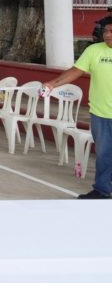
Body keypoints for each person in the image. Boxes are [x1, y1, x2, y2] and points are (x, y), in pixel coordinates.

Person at [41, 23, 112, 199]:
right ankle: (102, 190)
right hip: (101, 113)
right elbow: (75, 71)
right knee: (104, 154)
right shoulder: (94, 50)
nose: (108, 35)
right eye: (106, 31)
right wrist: (52, 84)